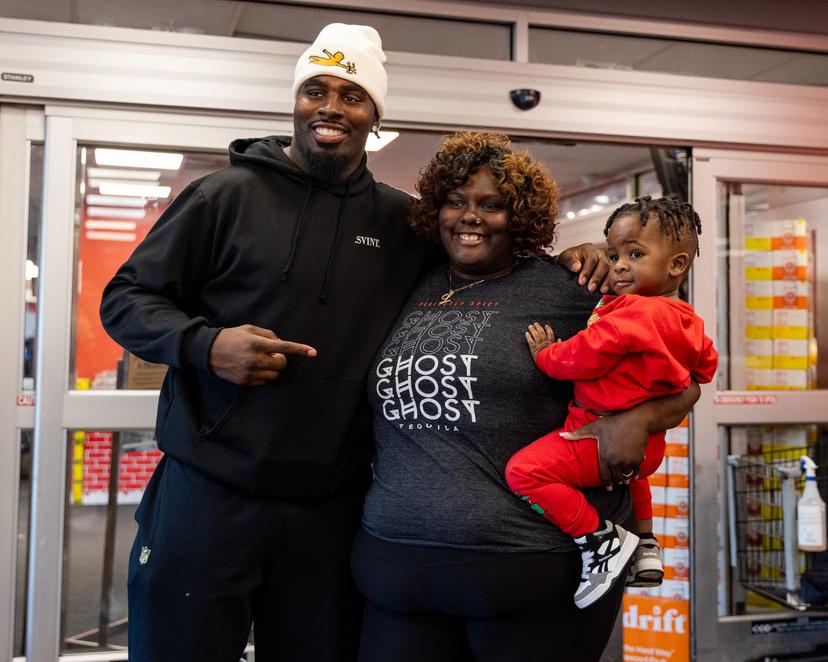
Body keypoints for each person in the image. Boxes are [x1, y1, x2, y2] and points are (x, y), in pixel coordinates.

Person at [99, 24, 608, 662]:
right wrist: (206, 345)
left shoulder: (402, 221)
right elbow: (124, 300)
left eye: (352, 95)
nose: (331, 107)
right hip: (208, 493)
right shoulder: (224, 196)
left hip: (330, 509)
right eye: (317, 89)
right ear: (295, 101)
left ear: (374, 115)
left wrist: (569, 260)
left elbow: (481, 255)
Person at [352, 133, 700, 662]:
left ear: (520, 217)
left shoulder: (572, 288)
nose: (470, 217)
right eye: (456, 201)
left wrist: (643, 418)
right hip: (396, 568)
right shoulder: (408, 284)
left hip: (532, 572)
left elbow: (684, 370)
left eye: (491, 205)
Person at [505, 196, 718, 610]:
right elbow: (705, 367)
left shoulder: (630, 316)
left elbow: (579, 357)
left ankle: (599, 540)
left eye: (634, 255)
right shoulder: (688, 319)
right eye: (614, 253)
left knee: (524, 473)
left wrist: (547, 354)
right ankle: (646, 544)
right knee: (634, 478)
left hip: (597, 435)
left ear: (676, 265)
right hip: (647, 444)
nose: (618, 265)